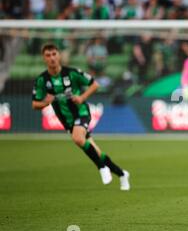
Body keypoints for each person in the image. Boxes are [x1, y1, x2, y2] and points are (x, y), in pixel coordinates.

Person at [32, 44, 130, 191]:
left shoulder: (72, 73)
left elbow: (94, 84)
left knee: (77, 138)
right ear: (44, 58)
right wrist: (46, 102)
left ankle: (102, 168)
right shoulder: (42, 80)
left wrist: (82, 97)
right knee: (96, 151)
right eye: (48, 55)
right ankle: (122, 174)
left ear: (59, 55)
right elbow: (35, 104)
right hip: (67, 121)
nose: (52, 58)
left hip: (81, 112)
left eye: (54, 54)